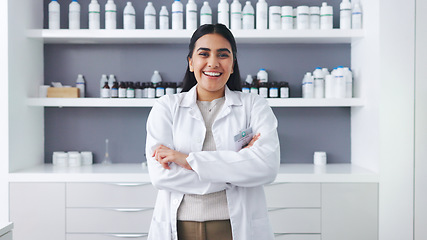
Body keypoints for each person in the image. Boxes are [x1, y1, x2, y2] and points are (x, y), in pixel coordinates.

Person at [146, 24, 280, 240]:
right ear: (191, 62)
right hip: (180, 227)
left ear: (233, 64)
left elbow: (266, 168)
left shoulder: (254, 106)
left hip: (236, 227)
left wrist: (187, 160)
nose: (213, 63)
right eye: (204, 54)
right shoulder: (167, 107)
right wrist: (237, 168)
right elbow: (161, 176)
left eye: (223, 55)